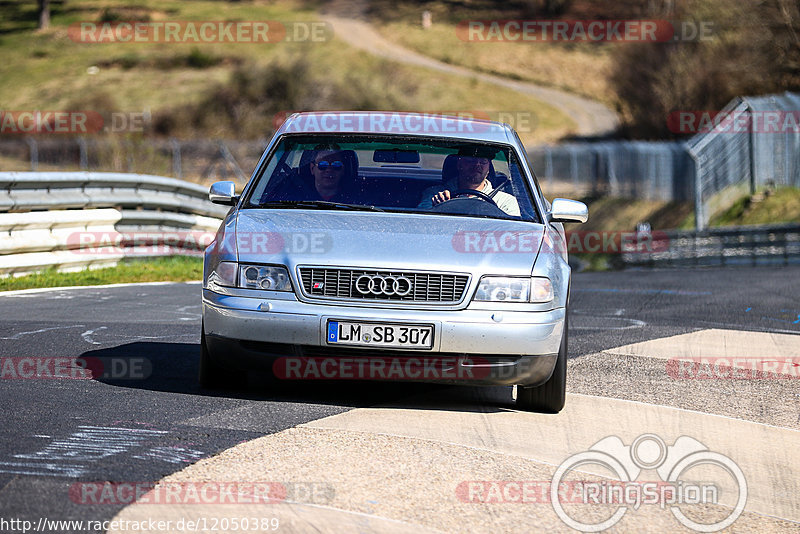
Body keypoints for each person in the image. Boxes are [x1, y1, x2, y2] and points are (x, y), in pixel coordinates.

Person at [418, 148, 521, 216]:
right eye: (470, 160)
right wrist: (438, 208)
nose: (477, 165)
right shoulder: (435, 194)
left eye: (483, 161)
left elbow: (512, 233)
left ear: (489, 168)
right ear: (459, 165)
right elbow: (421, 222)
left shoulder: (505, 201)